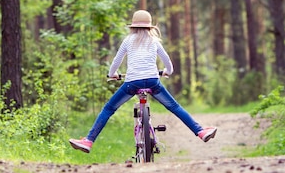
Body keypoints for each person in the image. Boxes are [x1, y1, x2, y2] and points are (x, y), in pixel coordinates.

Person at [69, 10, 217, 153]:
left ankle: (89, 141)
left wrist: (112, 74)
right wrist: (167, 72)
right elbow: (168, 63)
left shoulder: (128, 40)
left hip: (132, 83)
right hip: (153, 81)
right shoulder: (154, 41)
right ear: (150, 27)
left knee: (108, 109)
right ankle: (200, 132)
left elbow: (117, 61)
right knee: (175, 107)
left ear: (133, 27)